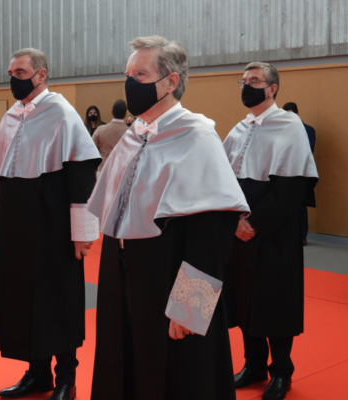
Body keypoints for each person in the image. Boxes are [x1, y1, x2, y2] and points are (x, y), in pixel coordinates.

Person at [87, 35, 250, 400]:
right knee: (122, 359)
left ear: (171, 81)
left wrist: (190, 309)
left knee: (177, 374)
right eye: (128, 74)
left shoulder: (197, 136)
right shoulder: (135, 136)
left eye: (140, 74)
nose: (130, 83)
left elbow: (214, 232)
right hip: (121, 272)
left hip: (168, 274)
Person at [0, 48, 101, 400]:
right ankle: (37, 373)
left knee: (56, 297)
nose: (14, 78)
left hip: (52, 223)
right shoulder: (10, 117)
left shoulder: (62, 114)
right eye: (11, 71)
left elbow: (81, 176)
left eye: (21, 71)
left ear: (41, 75)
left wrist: (82, 232)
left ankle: (66, 377)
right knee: (20, 294)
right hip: (14, 223)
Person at [224, 63, 319, 400]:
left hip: (274, 232)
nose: (247, 86)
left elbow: (291, 189)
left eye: (255, 81)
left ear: (273, 87)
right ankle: (254, 365)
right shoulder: (239, 129)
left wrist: (255, 223)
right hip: (238, 231)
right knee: (246, 299)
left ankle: (281, 372)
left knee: (275, 301)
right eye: (244, 81)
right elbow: (225, 178)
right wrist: (233, 220)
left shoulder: (289, 126)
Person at [283, 102, 316, 246]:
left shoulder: (308, 130)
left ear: (296, 114)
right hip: (283, 172)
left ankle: (302, 235)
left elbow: (307, 150)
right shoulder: (281, 130)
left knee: (300, 206)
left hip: (300, 172)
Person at [92, 99, 128, 175]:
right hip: (121, 171)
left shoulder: (100, 130)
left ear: (112, 112)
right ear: (125, 114)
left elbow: (91, 149)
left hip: (102, 170)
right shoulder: (130, 132)